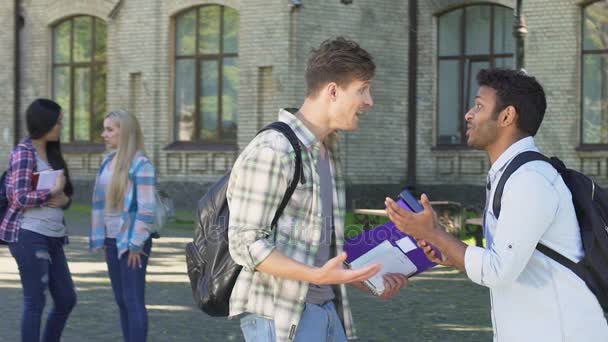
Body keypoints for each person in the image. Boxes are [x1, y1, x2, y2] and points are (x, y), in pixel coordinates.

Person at [385, 68, 608, 341]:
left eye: (479, 106)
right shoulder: (511, 174)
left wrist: (433, 232)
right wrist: (450, 254)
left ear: (506, 116)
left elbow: (498, 270)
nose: (468, 114)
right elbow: (509, 260)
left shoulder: (530, 179)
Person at [227, 37, 408, 342]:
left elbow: (321, 246)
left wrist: (369, 279)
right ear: (333, 91)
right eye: (362, 90)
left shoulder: (327, 151)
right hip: (280, 318)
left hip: (327, 311)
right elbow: (244, 243)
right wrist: (316, 275)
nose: (369, 101)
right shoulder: (274, 150)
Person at [0, 98, 76, 342]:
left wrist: (64, 200)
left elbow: (66, 194)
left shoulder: (53, 153)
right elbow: (19, 197)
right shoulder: (23, 153)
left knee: (66, 298)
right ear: (44, 123)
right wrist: (51, 192)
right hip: (28, 234)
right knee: (35, 300)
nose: (60, 126)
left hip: (54, 235)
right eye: (57, 122)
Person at [90, 109, 156, 342]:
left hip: (132, 242)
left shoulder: (141, 164)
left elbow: (147, 208)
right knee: (120, 299)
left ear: (125, 132)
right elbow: (100, 205)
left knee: (133, 299)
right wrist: (102, 239)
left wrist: (136, 244)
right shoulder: (108, 162)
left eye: (110, 129)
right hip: (111, 239)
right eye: (104, 129)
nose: (103, 134)